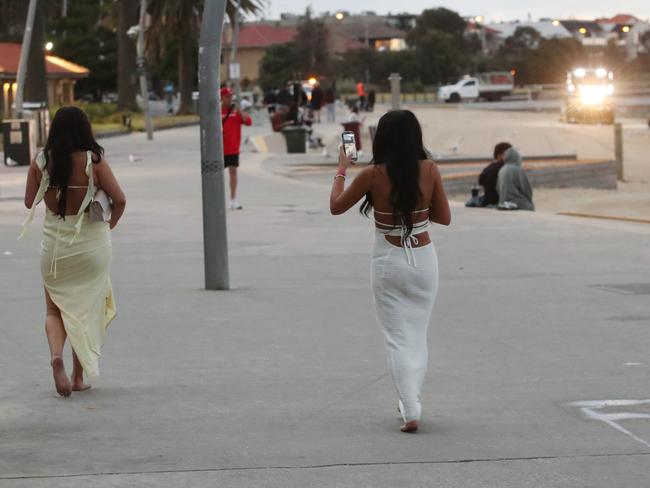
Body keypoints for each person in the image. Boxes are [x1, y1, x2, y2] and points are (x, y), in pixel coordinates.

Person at [329, 110, 451, 433]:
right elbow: (444, 217)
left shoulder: (372, 174)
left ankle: (410, 408)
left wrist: (342, 169)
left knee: (397, 339)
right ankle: (411, 402)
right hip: (424, 259)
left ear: (381, 138)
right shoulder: (430, 169)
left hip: (388, 260)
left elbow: (336, 205)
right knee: (417, 335)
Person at [21, 106, 126, 397]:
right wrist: (111, 225)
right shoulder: (94, 161)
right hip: (91, 245)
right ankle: (78, 379)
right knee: (87, 309)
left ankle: (57, 356)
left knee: (54, 309)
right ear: (84, 129)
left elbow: (29, 202)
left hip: (54, 246)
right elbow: (119, 199)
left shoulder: (41, 161)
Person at [221, 86, 252, 210]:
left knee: (233, 172)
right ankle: (218, 198)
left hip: (233, 148)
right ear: (222, 98)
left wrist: (239, 110)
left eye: (231, 97)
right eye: (227, 97)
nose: (230, 99)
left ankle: (233, 199)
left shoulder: (236, 112)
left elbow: (248, 122)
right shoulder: (217, 111)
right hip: (220, 149)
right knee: (217, 175)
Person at [477, 142, 512, 207]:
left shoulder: (488, 168)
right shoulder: (503, 168)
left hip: (487, 202)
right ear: (499, 155)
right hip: (498, 203)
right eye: (507, 154)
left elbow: (480, 181)